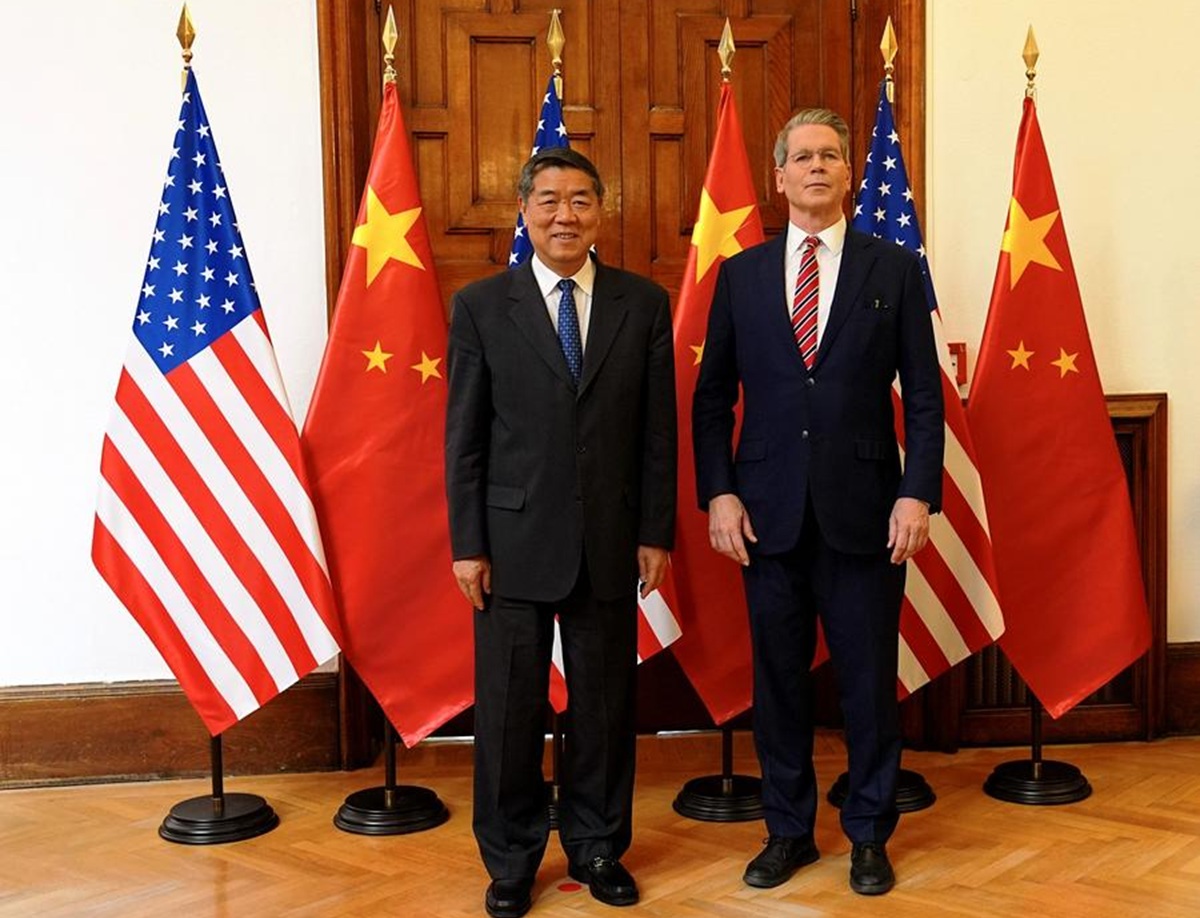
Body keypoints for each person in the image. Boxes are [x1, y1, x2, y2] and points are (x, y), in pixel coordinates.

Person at [691, 108, 944, 896]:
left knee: (869, 682)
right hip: (764, 514)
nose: (816, 168)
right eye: (801, 157)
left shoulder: (894, 270)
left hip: (868, 511)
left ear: (849, 173)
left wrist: (917, 495)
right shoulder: (739, 275)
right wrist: (720, 493)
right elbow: (710, 402)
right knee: (780, 684)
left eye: (830, 155)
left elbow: (927, 401)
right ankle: (789, 831)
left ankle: (868, 834)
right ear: (779, 176)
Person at [445, 147, 677, 918]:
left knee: (604, 707)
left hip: (612, 539)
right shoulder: (482, 306)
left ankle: (599, 847)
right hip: (510, 544)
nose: (564, 215)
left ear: (600, 211)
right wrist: (467, 544)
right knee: (509, 710)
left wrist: (655, 531)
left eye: (580, 200)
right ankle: (511, 860)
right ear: (524, 211)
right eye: (548, 200)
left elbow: (656, 434)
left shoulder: (641, 305)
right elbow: (465, 439)